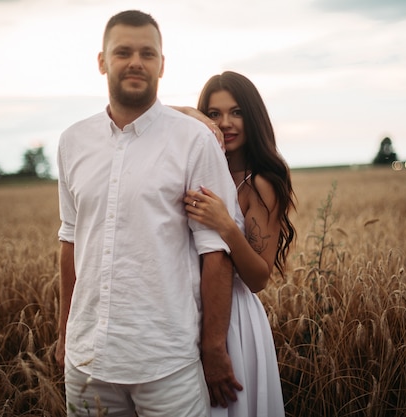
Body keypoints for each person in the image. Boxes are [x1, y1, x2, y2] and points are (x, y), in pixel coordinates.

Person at [55, 11, 243, 417]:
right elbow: (71, 240)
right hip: (87, 363)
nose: (135, 62)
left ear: (162, 63)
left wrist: (213, 347)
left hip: (167, 363)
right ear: (102, 61)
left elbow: (216, 251)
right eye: (122, 52)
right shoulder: (72, 142)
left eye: (147, 53)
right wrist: (64, 335)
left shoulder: (194, 140)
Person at [178, 71, 296, 417]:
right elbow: (156, 115)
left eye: (237, 112)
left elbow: (258, 278)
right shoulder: (194, 172)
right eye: (214, 113)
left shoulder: (262, 183)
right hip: (186, 308)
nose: (225, 123)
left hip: (234, 322)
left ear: (254, 117)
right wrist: (191, 114)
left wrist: (226, 226)